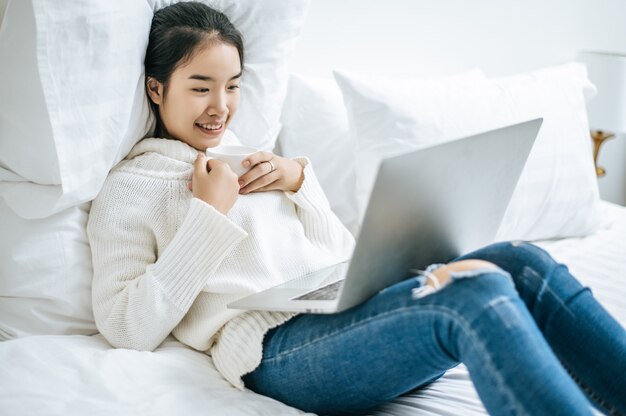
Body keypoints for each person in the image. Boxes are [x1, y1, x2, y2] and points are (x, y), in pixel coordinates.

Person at [87, 2, 626, 415]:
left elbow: (344, 260)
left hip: (346, 318)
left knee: (519, 259)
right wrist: (210, 217)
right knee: (477, 292)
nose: (221, 107)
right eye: (200, 87)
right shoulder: (132, 186)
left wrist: (301, 184)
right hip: (275, 352)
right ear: (157, 90)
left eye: (233, 86)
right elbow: (127, 327)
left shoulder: (254, 160)